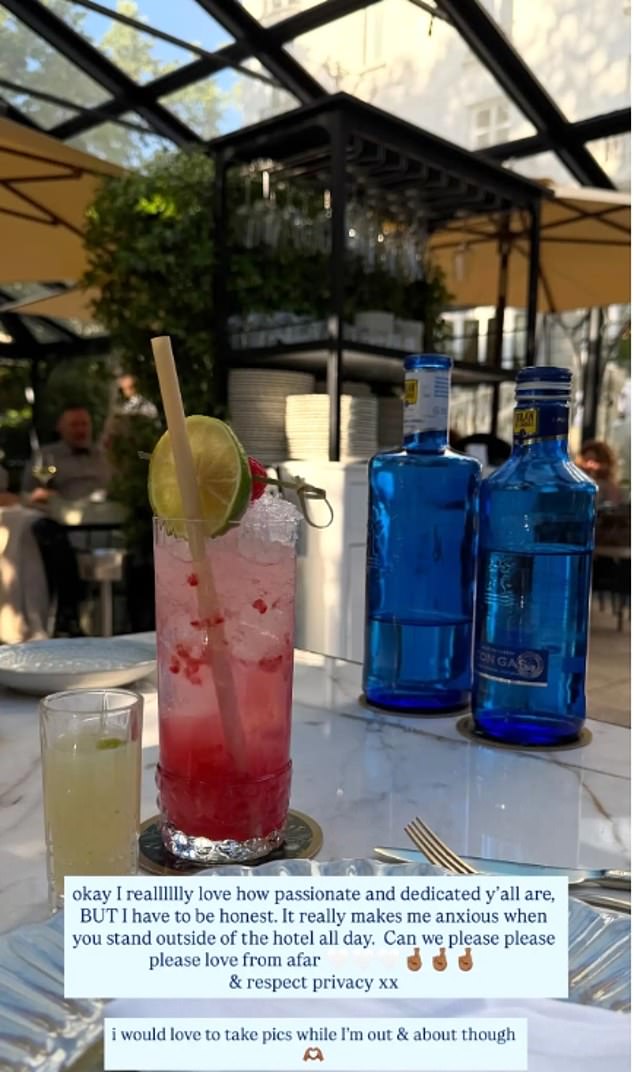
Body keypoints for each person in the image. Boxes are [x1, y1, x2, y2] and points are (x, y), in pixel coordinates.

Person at [22, 404, 110, 503]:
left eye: (84, 424)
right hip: (65, 509)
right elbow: (29, 493)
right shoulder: (46, 456)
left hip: (106, 508)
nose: (80, 430)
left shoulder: (103, 455)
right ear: (60, 428)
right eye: (74, 425)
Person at [576, 439, 622, 506]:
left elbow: (613, 505)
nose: (589, 466)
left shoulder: (608, 485)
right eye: (585, 461)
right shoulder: (578, 483)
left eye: (593, 462)